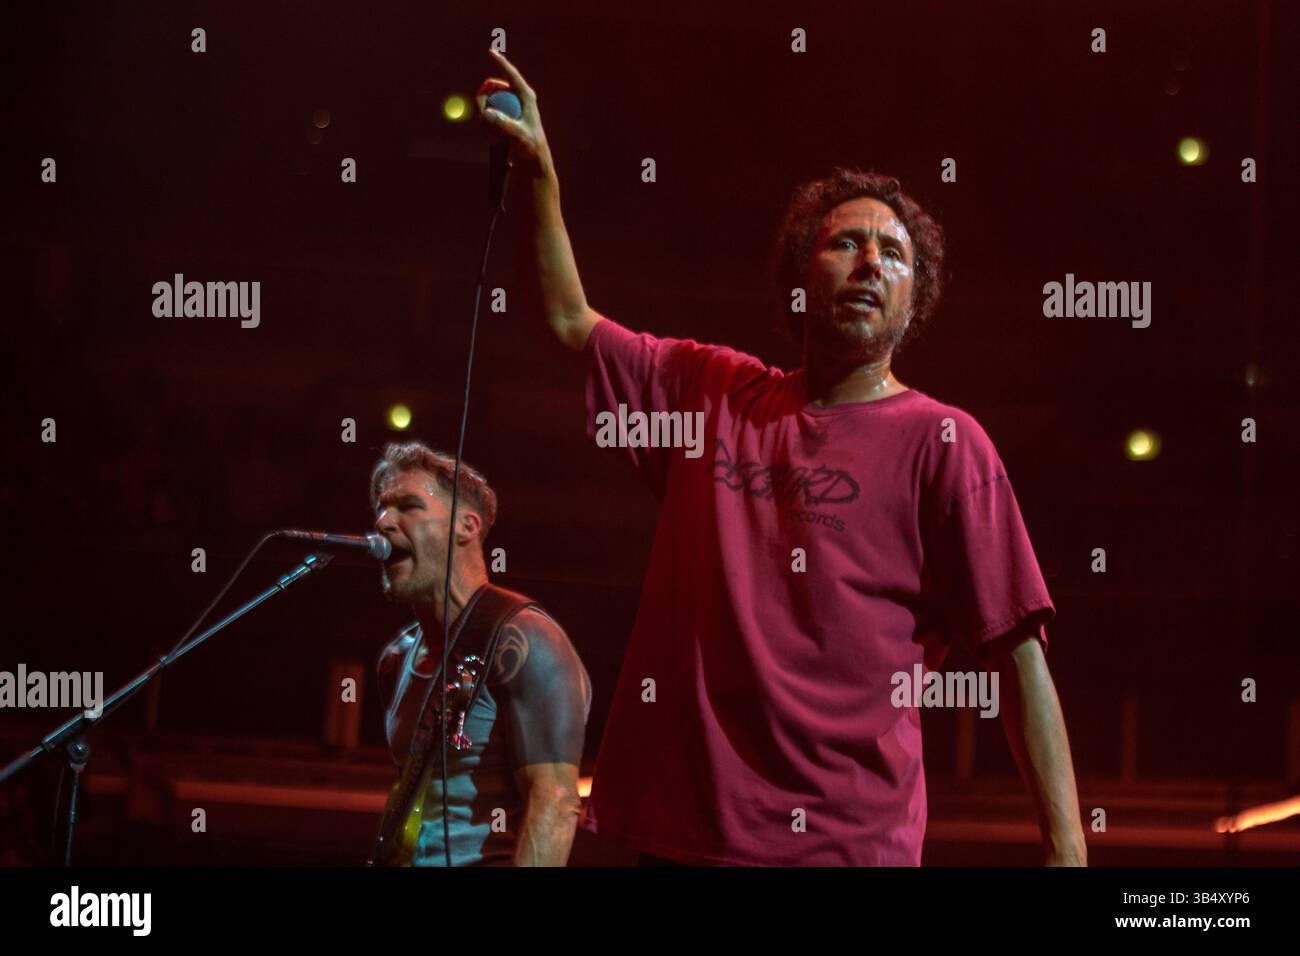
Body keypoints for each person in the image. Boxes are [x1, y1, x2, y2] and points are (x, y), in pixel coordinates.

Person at [477, 49, 1086, 866]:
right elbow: (564, 320)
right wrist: (540, 172)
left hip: (842, 848)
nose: (872, 261)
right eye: (846, 244)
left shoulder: (945, 443)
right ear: (802, 272)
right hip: (667, 838)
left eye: (895, 254)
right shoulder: (713, 392)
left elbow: (1019, 656)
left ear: (918, 299)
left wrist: (1069, 851)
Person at [371, 441, 591, 866]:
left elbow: (556, 802)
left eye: (408, 506)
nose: (383, 522)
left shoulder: (526, 639)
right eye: (381, 507)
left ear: (466, 527)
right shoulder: (397, 657)